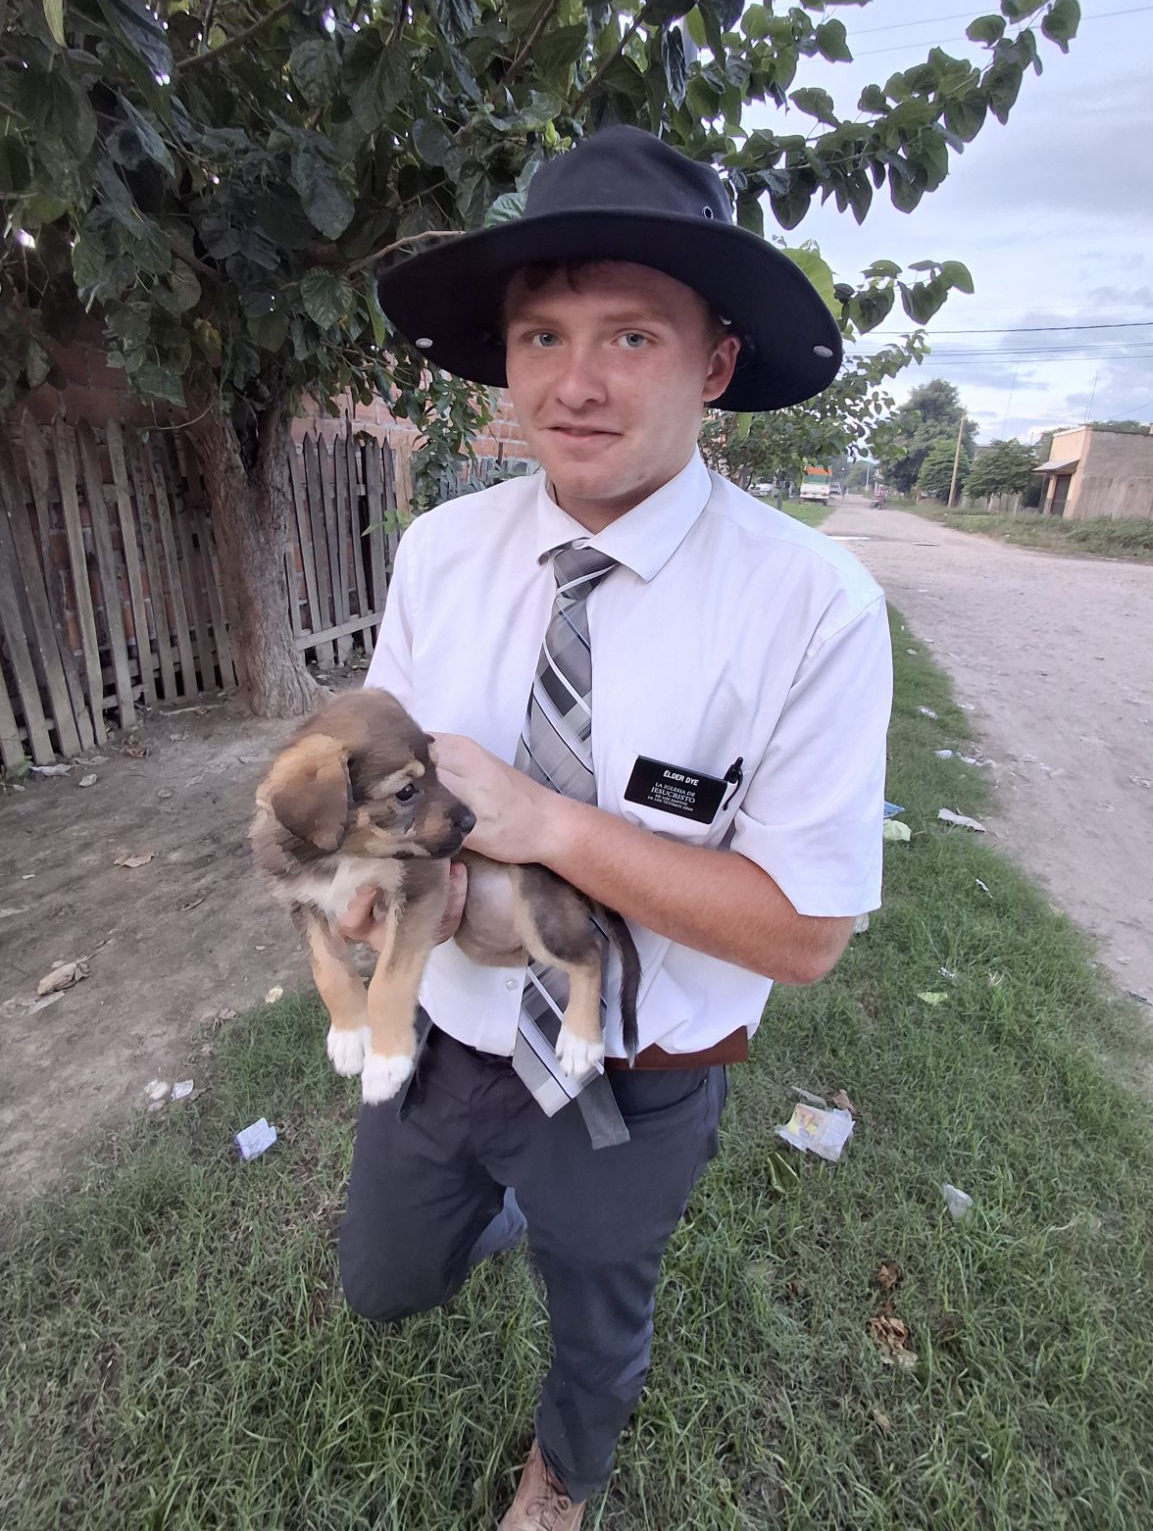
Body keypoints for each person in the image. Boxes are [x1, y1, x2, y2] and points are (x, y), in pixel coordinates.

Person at [336, 126, 892, 1529]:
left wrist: (548, 825)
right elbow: (385, 771)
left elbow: (806, 934)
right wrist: (373, 871)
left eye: (631, 337)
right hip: (445, 1033)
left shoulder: (810, 606)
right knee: (384, 1282)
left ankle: (563, 1477)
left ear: (716, 362)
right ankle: (497, 1201)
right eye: (542, 337)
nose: (573, 384)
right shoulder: (440, 551)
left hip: (633, 1076)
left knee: (597, 1308)